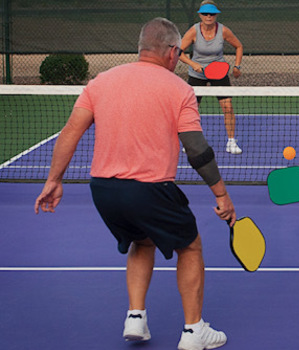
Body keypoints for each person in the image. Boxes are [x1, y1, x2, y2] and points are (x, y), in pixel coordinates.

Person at [34, 18, 234, 350]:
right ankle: (193, 330)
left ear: (141, 47)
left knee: (142, 242)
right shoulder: (179, 89)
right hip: (150, 189)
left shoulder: (101, 81)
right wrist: (222, 194)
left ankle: (136, 318)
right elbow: (196, 149)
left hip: (103, 190)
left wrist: (54, 180)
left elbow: (71, 130)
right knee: (191, 246)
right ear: (172, 52)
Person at [179, 0, 244, 154]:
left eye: (212, 14)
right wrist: (192, 63)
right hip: (197, 73)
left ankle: (231, 142)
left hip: (218, 73)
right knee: (192, 109)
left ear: (216, 15)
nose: (209, 16)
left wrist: (237, 66)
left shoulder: (223, 31)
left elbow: (239, 46)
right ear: (200, 15)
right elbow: (179, 51)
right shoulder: (193, 31)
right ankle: (189, 141)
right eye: (205, 13)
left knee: (227, 107)